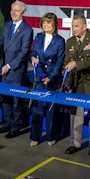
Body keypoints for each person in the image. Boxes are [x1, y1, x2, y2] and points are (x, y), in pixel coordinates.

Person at [63, 14, 90, 157]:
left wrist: (78, 64)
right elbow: (67, 66)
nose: (73, 29)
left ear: (84, 26)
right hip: (77, 85)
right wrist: (68, 85)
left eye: (76, 26)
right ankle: (75, 143)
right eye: (72, 26)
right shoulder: (69, 42)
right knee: (76, 117)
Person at [0, 1, 33, 138]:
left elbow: (24, 53)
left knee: (16, 101)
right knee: (5, 99)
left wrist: (8, 66)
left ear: (23, 12)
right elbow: (1, 40)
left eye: (16, 10)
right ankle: (7, 124)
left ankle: (15, 127)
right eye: (12, 10)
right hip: (4, 69)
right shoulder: (8, 25)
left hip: (16, 71)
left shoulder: (27, 30)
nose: (13, 13)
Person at [29, 13, 65, 147]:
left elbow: (59, 61)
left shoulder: (60, 41)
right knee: (37, 109)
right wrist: (32, 57)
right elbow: (33, 52)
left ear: (54, 25)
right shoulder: (38, 37)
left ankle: (51, 136)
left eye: (48, 23)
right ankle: (35, 137)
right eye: (43, 23)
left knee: (51, 111)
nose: (45, 25)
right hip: (38, 77)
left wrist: (50, 77)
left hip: (52, 78)